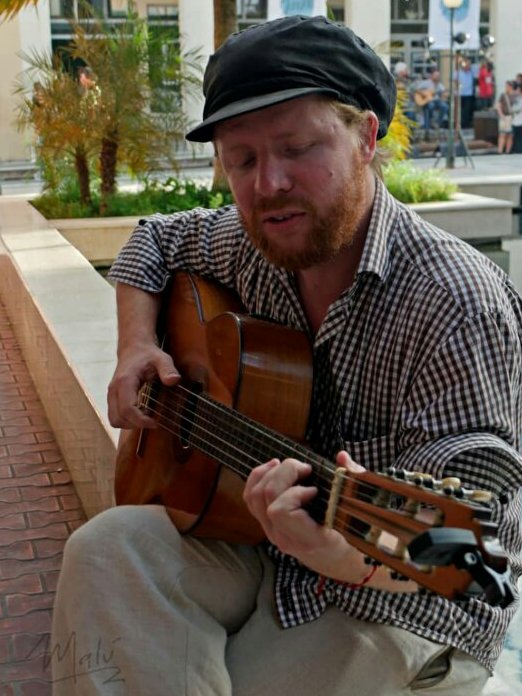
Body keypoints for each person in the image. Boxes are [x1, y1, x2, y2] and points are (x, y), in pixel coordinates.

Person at [50, 15, 522, 696]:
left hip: (406, 597)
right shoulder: (249, 245)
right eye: (241, 159)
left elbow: (474, 556)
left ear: (365, 136)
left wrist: (342, 555)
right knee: (103, 551)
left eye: (297, 147)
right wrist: (136, 350)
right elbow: (150, 241)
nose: (268, 183)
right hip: (261, 543)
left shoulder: (454, 303)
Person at [496, 80, 516, 154]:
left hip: (512, 117)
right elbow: (498, 106)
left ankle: (508, 151)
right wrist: (501, 115)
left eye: (507, 86)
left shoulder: (515, 95)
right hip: (504, 116)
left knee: (510, 134)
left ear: (511, 87)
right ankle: (500, 151)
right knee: (502, 134)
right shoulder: (503, 95)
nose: (506, 88)